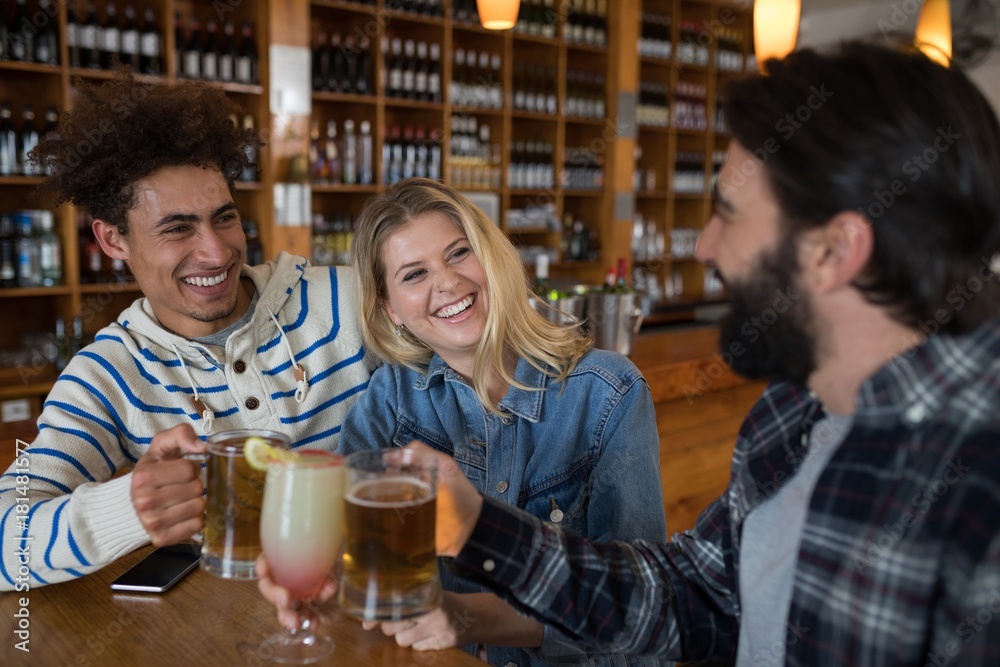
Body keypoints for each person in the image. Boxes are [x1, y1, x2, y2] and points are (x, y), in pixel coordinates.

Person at [404, 42, 1000, 665]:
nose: (706, 248)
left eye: (729, 215)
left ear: (833, 250)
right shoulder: (796, 409)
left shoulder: (978, 484)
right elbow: (696, 598)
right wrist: (478, 528)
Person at [258, 177, 669, 666]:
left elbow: (637, 610)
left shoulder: (608, 394)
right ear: (390, 309)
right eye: (413, 274)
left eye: (458, 253)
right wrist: (311, 566)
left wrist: (461, 616)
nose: (448, 283)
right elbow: (341, 538)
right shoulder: (392, 398)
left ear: (491, 257)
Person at [0, 73, 376, 591]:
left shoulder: (346, 300)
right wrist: (130, 506)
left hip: (379, 611)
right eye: (177, 228)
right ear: (112, 240)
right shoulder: (109, 375)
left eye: (224, 218)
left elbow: (506, 329)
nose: (217, 252)